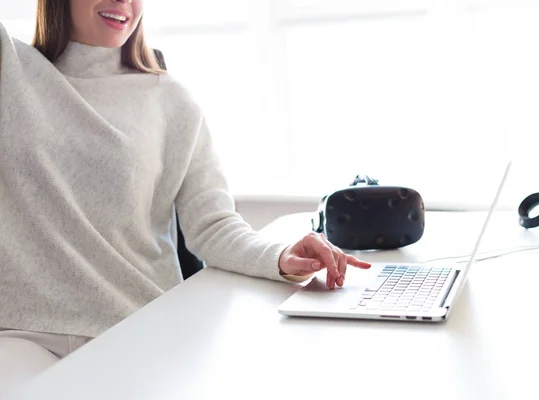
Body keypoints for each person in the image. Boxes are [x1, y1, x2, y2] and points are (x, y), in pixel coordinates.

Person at [0, 0, 371, 395]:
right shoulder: (11, 69)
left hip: (134, 325)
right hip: (23, 334)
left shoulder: (171, 100)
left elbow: (213, 226)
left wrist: (280, 256)